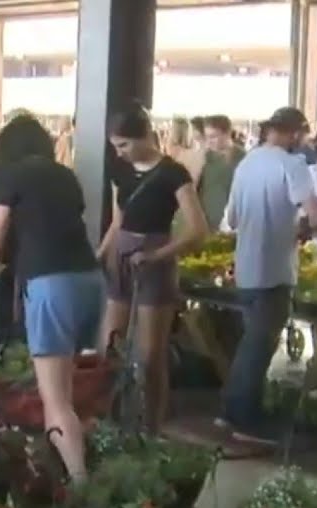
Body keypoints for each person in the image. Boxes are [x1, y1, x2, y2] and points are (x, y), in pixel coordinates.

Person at [0, 114, 102, 483]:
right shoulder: (66, 176)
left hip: (50, 283)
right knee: (77, 387)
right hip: (90, 279)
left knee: (55, 400)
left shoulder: (10, 177)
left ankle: (80, 484)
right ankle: (62, 464)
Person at [98, 104, 206, 434]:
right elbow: (118, 221)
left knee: (150, 356)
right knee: (108, 347)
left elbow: (198, 230)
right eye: (115, 146)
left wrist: (158, 255)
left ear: (145, 136)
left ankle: (153, 428)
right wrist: (101, 254)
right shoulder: (120, 171)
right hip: (122, 258)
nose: (119, 153)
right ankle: (107, 418)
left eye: (124, 145)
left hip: (155, 262)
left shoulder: (174, 173)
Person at [222, 107, 317, 447]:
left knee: (248, 344)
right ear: (295, 133)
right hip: (275, 270)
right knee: (259, 348)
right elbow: (316, 215)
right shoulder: (292, 164)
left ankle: (229, 411)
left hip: (246, 267)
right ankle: (246, 420)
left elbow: (232, 220)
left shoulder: (246, 163)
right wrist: (302, 231)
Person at [197, 115, 244, 232]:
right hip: (206, 220)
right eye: (207, 137)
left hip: (233, 222)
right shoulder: (203, 158)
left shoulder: (243, 158)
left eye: (213, 136)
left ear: (227, 133)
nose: (209, 141)